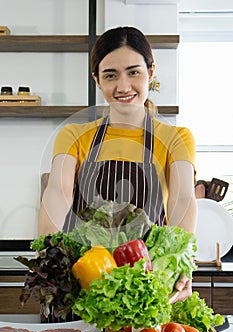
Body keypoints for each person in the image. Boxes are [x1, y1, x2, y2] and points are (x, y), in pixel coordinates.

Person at [38, 26, 197, 303]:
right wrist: (48, 261)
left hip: (147, 285)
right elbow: (57, 195)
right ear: (97, 80)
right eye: (111, 75)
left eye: (133, 72)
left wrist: (179, 265)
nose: (123, 87)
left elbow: (182, 200)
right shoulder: (74, 136)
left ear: (151, 72)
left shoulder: (176, 138)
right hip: (83, 281)